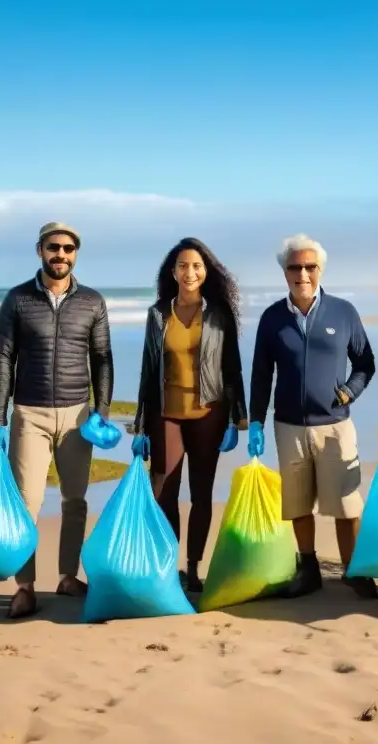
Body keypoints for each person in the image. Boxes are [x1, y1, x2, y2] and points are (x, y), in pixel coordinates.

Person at [0, 221, 114, 619]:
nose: (61, 254)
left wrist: (101, 412)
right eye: (53, 247)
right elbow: (3, 358)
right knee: (27, 503)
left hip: (77, 415)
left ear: (76, 253)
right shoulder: (18, 300)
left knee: (75, 500)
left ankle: (67, 577)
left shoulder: (92, 301)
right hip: (30, 412)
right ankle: (24, 587)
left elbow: (103, 359)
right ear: (40, 250)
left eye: (68, 248)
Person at [247, 234, 378, 599]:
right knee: (298, 503)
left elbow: (365, 363)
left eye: (310, 267)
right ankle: (309, 569)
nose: (302, 274)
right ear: (284, 271)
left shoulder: (343, 312)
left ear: (320, 270)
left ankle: (356, 570)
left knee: (347, 505)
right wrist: (255, 420)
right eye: (295, 267)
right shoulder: (272, 318)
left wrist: (349, 391)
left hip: (335, 426)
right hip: (288, 426)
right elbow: (261, 373)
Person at [130, 238, 248, 593]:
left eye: (196, 266)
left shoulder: (218, 315)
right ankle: (167, 565)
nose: (190, 272)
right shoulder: (157, 314)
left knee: (201, 494)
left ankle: (193, 568)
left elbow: (232, 369)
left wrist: (237, 419)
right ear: (173, 272)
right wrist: (139, 425)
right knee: (163, 491)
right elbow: (148, 370)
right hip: (166, 414)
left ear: (206, 272)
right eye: (183, 266)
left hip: (209, 414)